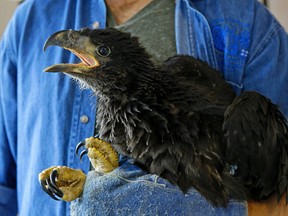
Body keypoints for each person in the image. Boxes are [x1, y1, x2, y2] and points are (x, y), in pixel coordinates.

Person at [0, 0, 287, 215]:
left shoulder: (249, 25)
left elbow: (279, 201)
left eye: (99, 50)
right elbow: (4, 190)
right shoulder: (28, 23)